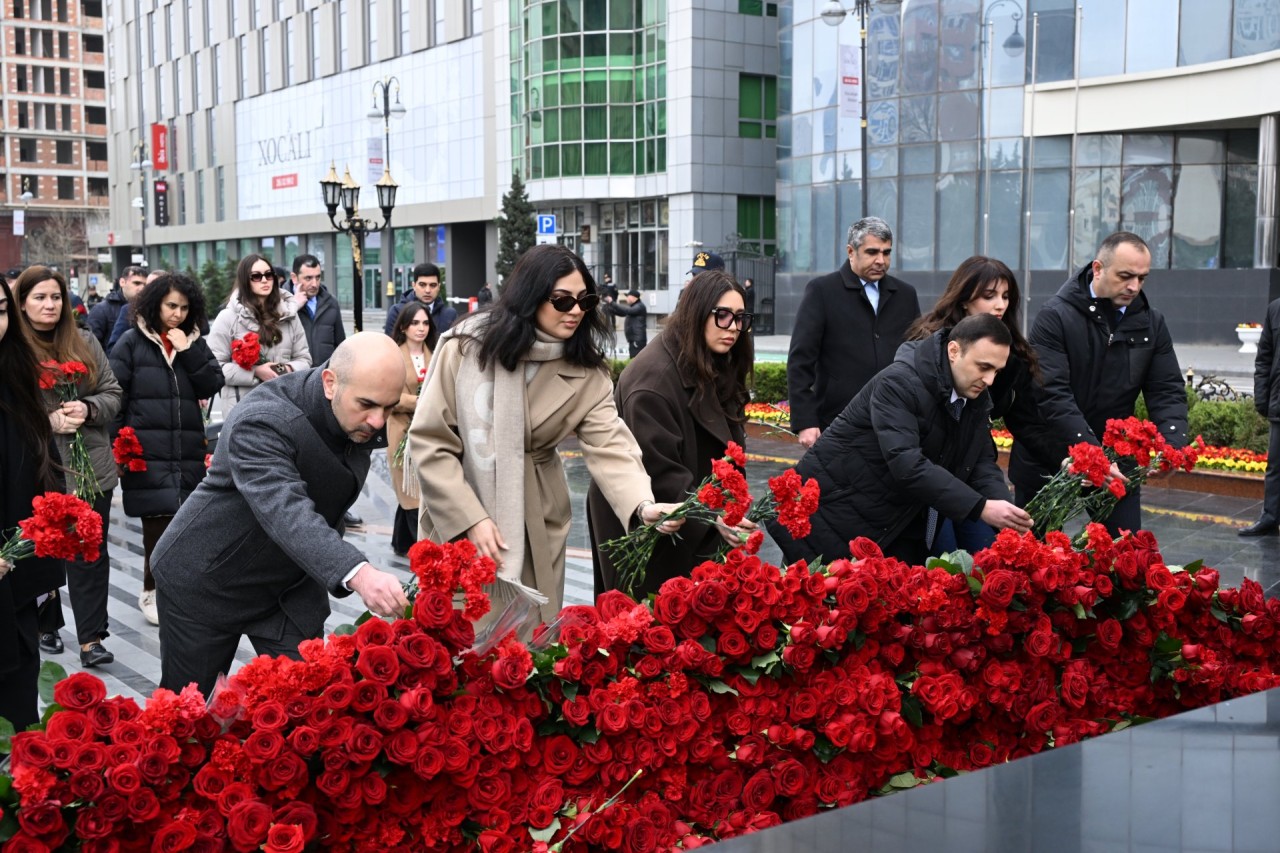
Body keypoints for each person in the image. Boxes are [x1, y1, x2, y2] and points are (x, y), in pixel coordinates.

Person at [408, 243, 685, 625]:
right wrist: (470, 517)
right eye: (561, 300)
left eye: (584, 300)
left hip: (538, 516)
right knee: (464, 634)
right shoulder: (467, 348)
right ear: (530, 298)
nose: (575, 311)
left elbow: (611, 445)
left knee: (530, 639)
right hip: (461, 504)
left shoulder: (587, 371)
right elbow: (431, 439)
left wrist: (643, 504)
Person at [152, 333, 412, 697]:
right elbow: (285, 509)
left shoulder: (359, 411)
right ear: (330, 382)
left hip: (286, 590)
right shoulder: (263, 419)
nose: (378, 421)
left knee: (312, 710)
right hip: (206, 581)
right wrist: (360, 574)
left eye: (389, 407)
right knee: (190, 720)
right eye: (367, 405)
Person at [769, 314, 1032, 566]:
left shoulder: (976, 398)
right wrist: (980, 507)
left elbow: (980, 462)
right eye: (983, 367)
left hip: (891, 523)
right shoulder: (898, 382)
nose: (989, 380)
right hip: (832, 518)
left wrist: (1008, 513)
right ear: (953, 351)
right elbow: (906, 463)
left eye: (997, 371)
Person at [589, 270, 755, 598]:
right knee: (651, 627)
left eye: (740, 318)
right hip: (652, 527)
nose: (734, 327)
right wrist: (714, 517)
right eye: (722, 316)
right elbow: (658, 474)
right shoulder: (653, 381)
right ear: (696, 313)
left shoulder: (709, 356)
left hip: (689, 521)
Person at [1012, 231, 1188, 535]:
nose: (1134, 287)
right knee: (1032, 558)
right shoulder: (1055, 316)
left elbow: (1167, 388)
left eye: (1142, 278)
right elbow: (1052, 394)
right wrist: (1092, 457)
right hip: (1051, 454)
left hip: (1115, 460)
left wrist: (1172, 443)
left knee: (1125, 556)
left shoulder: (1151, 323)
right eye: (1125, 276)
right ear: (1098, 268)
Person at [905, 256, 1058, 553]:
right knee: (945, 561)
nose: (1000, 305)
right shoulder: (927, 350)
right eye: (989, 296)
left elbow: (1026, 421)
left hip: (971, 470)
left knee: (987, 557)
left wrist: (1065, 459)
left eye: (1005, 296)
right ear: (964, 299)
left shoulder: (1011, 355)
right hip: (928, 477)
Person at [16, 266, 122, 668]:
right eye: (40, 297)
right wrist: (46, 421)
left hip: (89, 465)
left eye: (56, 297)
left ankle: (92, 638)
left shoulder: (85, 342)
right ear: (22, 303)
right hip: (38, 465)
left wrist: (89, 407)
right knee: (41, 548)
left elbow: (112, 392)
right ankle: (46, 623)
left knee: (88, 551)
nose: (49, 305)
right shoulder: (14, 349)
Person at [108, 273, 224, 626]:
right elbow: (117, 397)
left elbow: (212, 381)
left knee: (187, 526)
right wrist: (118, 448)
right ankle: (151, 590)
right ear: (155, 303)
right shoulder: (131, 342)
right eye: (171, 306)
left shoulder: (192, 341)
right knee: (157, 525)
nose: (177, 314)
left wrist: (189, 351)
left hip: (186, 447)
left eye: (184, 308)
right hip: (146, 448)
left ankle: (182, 591)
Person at [787, 217, 921, 449]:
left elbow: (917, 356)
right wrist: (805, 421)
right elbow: (800, 360)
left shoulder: (906, 295)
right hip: (837, 422)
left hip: (894, 421)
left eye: (886, 252)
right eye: (872, 252)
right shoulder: (822, 291)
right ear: (851, 251)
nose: (881, 260)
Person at [0, 275, 66, 730]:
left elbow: (36, 464)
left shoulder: (14, 372)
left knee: (16, 700)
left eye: (1, 311)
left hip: (13, 563)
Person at [208, 254, 312, 418]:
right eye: (256, 276)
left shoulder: (289, 315)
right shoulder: (227, 318)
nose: (264, 280)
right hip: (243, 410)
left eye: (269, 274)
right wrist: (256, 372)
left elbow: (304, 359)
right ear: (245, 280)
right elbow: (214, 367)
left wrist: (284, 369)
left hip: (283, 407)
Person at [387, 302, 438, 556]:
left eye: (425, 323)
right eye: (415, 323)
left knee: (421, 486)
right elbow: (388, 394)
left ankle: (402, 542)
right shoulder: (394, 354)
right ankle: (420, 551)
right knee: (408, 489)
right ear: (404, 326)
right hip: (401, 431)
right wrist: (417, 402)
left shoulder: (437, 353)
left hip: (429, 430)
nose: (421, 328)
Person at [1244, 294, 1280, 536]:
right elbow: (1264, 358)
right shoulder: (1275, 308)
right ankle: (1270, 517)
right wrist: (1262, 398)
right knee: (1276, 466)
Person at [289, 253, 345, 366]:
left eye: (318, 277)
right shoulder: (280, 302)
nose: (314, 284)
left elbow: (340, 345)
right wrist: (293, 305)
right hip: (294, 377)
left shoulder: (331, 303)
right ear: (294, 278)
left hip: (324, 376)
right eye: (308, 278)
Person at [384, 262, 457, 335]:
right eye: (422, 285)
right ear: (414, 285)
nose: (427, 290)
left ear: (439, 287)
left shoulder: (450, 314)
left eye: (433, 285)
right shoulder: (397, 312)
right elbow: (389, 343)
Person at [87, 265, 146, 353]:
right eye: (136, 283)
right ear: (122, 282)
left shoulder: (147, 310)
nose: (142, 288)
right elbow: (90, 346)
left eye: (145, 285)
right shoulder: (102, 309)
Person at [608, 289, 648, 358]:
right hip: (634, 340)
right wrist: (611, 310)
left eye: (628, 296)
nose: (627, 298)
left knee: (635, 361)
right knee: (633, 360)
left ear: (633, 297)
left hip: (637, 341)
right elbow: (622, 313)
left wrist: (612, 302)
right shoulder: (634, 307)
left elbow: (627, 311)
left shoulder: (640, 306)